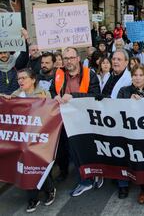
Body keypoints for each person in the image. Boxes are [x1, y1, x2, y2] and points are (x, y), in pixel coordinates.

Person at [50, 47, 101, 195]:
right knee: (72, 151)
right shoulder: (58, 74)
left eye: (71, 58)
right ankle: (85, 178)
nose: (68, 61)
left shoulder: (89, 74)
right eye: (65, 58)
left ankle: (89, 178)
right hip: (65, 120)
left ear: (78, 58)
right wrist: (55, 96)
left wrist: (74, 97)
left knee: (86, 150)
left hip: (85, 120)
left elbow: (95, 95)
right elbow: (53, 91)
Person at [3, 69, 56, 212]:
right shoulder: (15, 95)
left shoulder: (44, 94)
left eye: (24, 78)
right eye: (19, 78)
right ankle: (32, 199)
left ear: (33, 80)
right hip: (22, 139)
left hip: (39, 138)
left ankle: (49, 190)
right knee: (25, 167)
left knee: (38, 166)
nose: (20, 81)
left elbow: (50, 114)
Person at [117, 65, 144, 207]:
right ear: (131, 76)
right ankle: (143, 189)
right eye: (135, 75)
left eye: (141, 75)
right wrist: (129, 100)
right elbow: (116, 109)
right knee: (138, 162)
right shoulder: (124, 91)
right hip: (132, 134)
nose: (138, 78)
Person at [101, 49, 132, 198]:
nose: (115, 62)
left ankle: (123, 184)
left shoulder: (129, 78)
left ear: (126, 62)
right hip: (109, 120)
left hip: (121, 122)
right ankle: (117, 177)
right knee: (113, 151)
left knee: (121, 153)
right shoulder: (111, 76)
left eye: (119, 59)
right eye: (114, 59)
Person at [0, 28, 29, 95]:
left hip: (16, 98)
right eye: (0, 53)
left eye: (5, 52)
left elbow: (24, 55)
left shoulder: (16, 64)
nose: (3, 55)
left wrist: (24, 40)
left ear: (9, 52)